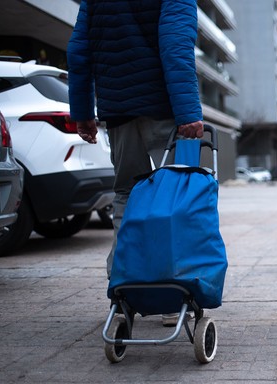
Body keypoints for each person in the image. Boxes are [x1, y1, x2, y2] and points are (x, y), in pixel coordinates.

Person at [67, 0, 204, 326]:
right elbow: (175, 45)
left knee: (127, 194)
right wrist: (188, 113)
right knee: (176, 196)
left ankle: (122, 290)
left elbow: (79, 51)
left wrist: (83, 110)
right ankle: (175, 294)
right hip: (163, 108)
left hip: (119, 111)